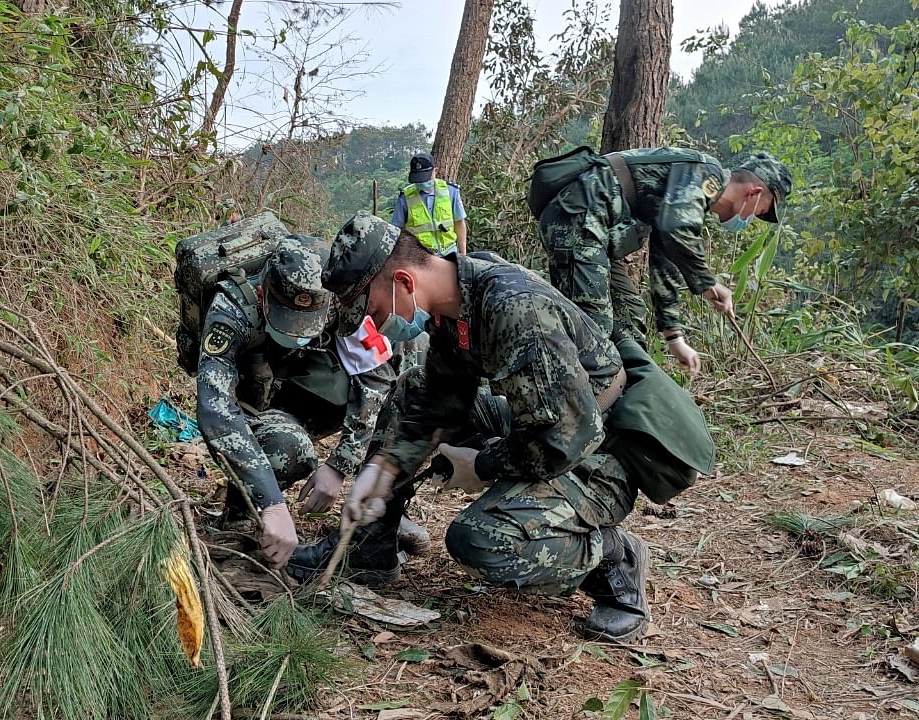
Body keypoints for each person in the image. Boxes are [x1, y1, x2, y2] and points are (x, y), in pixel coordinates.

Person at [297, 215, 715, 642]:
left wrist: (481, 464)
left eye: (373, 310)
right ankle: (370, 546)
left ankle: (613, 558)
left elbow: (564, 438)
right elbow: (440, 400)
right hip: (542, 422)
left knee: (481, 540)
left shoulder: (513, 308)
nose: (375, 322)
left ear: (404, 281)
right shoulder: (455, 301)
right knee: (413, 389)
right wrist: (385, 469)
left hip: (602, 452)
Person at [194, 233, 427, 569]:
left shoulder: (339, 297)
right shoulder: (231, 310)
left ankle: (375, 520)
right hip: (257, 403)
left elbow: (374, 379)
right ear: (263, 296)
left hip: (306, 390)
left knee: (407, 379)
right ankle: (242, 511)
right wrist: (271, 502)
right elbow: (216, 410)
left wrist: (339, 466)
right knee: (287, 447)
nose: (299, 332)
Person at [536, 149, 792, 374]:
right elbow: (675, 229)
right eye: (760, 212)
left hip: (594, 231)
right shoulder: (707, 173)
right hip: (578, 219)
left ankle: (630, 402)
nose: (751, 218)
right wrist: (707, 284)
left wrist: (675, 338)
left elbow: (665, 258)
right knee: (593, 329)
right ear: (754, 193)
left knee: (629, 316)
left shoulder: (690, 198)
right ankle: (567, 408)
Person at [392, 151, 468, 256]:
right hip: (420, 257)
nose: (422, 182)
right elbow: (397, 230)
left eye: (424, 177)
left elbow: (459, 223)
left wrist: (463, 254)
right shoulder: (405, 197)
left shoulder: (450, 191)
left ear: (435, 171)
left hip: (449, 253)